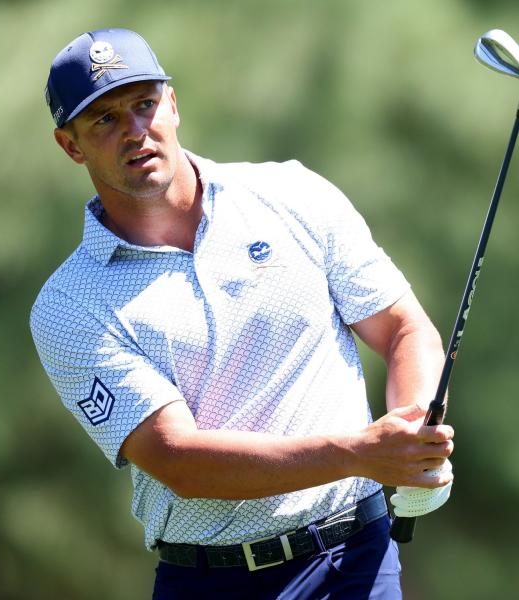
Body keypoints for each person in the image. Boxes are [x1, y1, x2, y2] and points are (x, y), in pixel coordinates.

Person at [30, 28, 454, 599]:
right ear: (70, 145)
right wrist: (361, 455)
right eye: (104, 119)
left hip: (354, 560)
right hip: (210, 580)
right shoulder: (70, 304)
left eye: (144, 104)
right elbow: (181, 461)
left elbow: (403, 329)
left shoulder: (293, 195)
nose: (135, 130)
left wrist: (413, 434)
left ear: (173, 104)